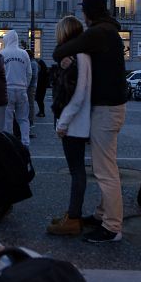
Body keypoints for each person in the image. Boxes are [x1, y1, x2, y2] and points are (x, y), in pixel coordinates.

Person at [53, 0, 128, 243]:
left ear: (87, 12)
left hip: (106, 109)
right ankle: (102, 214)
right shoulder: (109, 30)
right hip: (111, 107)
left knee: (105, 171)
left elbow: (61, 50)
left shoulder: (98, 33)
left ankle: (112, 226)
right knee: (105, 167)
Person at [47, 16, 92, 236]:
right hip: (74, 122)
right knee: (77, 171)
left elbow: (78, 94)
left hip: (75, 124)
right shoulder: (79, 56)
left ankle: (74, 217)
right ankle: (72, 214)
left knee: (77, 172)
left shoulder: (79, 57)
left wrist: (62, 123)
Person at [1, 30, 32, 146]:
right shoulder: (24, 54)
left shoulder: (2, 54)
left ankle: (10, 142)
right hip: (21, 89)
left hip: (7, 89)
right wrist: (25, 85)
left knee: (7, 119)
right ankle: (25, 142)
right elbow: (29, 73)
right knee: (23, 118)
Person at [27, 50, 38, 137]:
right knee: (30, 104)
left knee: (30, 104)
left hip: (31, 86)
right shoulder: (33, 63)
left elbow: (33, 75)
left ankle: (31, 120)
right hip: (31, 85)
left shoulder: (32, 63)